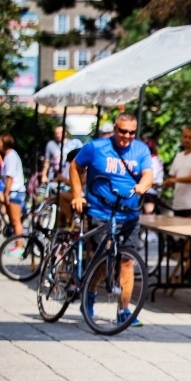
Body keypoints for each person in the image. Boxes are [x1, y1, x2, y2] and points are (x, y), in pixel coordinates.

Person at [69, 113, 153, 327]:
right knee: (103, 258)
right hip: (101, 211)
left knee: (127, 261)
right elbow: (75, 167)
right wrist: (77, 195)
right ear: (115, 129)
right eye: (122, 131)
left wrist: (142, 186)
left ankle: (124, 310)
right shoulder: (96, 147)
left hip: (129, 213)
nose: (127, 136)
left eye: (131, 132)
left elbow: (148, 174)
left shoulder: (141, 150)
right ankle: (89, 295)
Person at [162, 127, 191, 282]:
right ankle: (190, 268)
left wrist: (175, 180)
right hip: (179, 203)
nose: (187, 140)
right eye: (185, 137)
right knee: (184, 240)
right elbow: (172, 176)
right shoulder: (179, 156)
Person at [0, 134, 27, 258]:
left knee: (16, 221)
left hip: (15, 191)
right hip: (15, 191)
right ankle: (17, 245)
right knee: (14, 221)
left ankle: (20, 247)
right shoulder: (10, 155)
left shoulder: (10, 156)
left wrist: (6, 193)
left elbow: (10, 176)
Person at [141, 137, 164, 215]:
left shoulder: (153, 160)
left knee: (148, 215)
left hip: (150, 192)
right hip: (148, 191)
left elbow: (151, 177)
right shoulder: (154, 159)